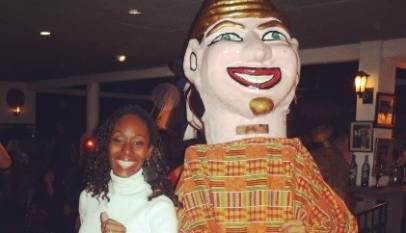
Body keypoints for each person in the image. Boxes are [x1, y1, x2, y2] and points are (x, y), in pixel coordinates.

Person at [176, 0, 357, 232]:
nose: (259, 51)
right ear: (194, 59)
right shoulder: (200, 165)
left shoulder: (294, 159)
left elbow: (340, 224)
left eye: (273, 35)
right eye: (229, 35)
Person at [78, 105, 178, 233]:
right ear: (107, 144)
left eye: (137, 143)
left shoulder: (159, 207)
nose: (126, 150)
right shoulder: (88, 197)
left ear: (149, 151)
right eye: (118, 140)